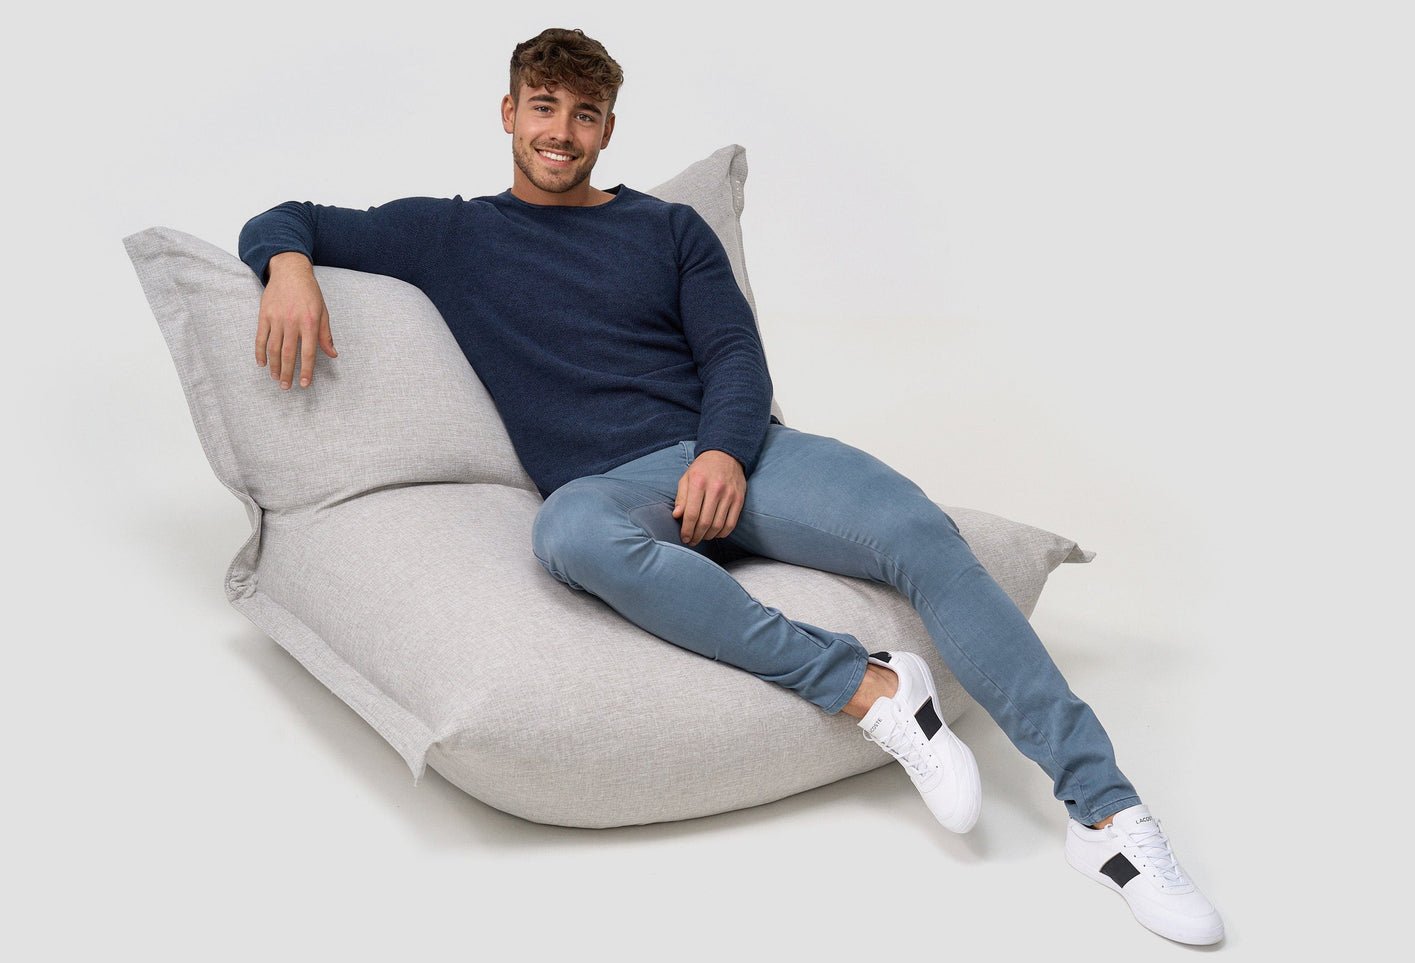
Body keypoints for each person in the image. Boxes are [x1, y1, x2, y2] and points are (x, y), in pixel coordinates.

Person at [239, 27, 1223, 946]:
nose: (560, 131)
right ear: (508, 114)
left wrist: (720, 451)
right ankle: (872, 688)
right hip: (613, 486)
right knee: (569, 535)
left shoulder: (667, 229)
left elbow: (734, 357)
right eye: (542, 107)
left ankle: (1106, 816)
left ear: (607, 129)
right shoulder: (446, 234)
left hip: (748, 455)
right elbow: (285, 218)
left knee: (921, 534)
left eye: (584, 114)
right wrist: (287, 267)